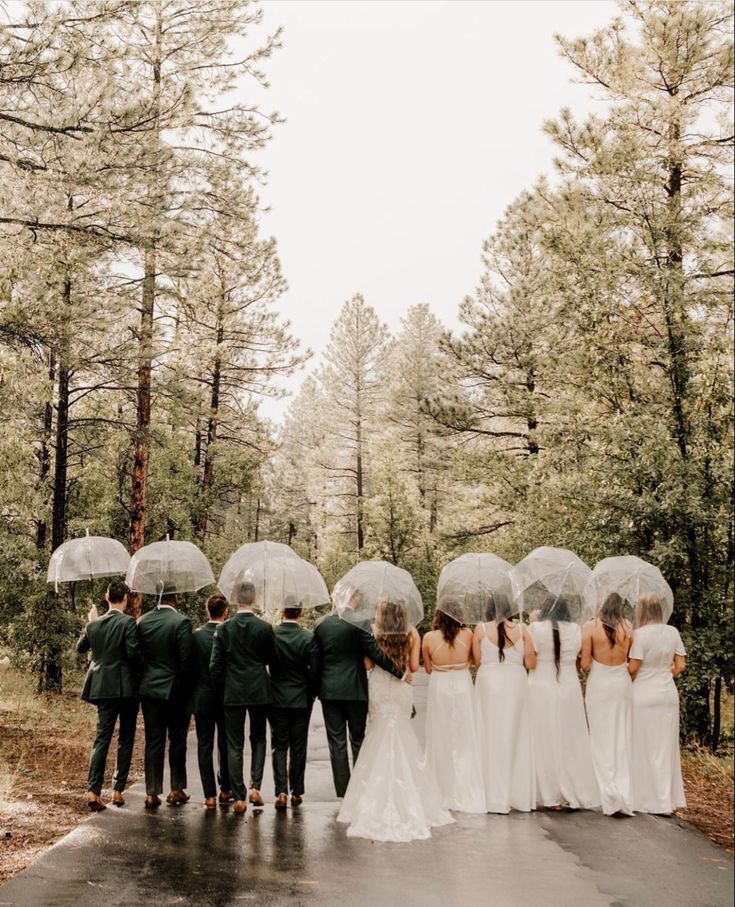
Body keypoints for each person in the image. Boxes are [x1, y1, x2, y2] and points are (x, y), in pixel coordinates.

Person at [338, 599, 453, 841]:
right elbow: (413, 666)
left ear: (382, 615)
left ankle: (368, 798)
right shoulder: (411, 632)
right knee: (403, 735)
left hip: (379, 686)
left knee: (377, 735)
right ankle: (410, 797)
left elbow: (368, 664)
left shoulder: (374, 631)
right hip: (402, 688)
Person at [313, 593, 409, 798]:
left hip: (329, 691)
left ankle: (343, 792)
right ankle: (360, 786)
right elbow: (374, 652)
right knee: (358, 739)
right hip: (355, 688)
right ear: (353, 598)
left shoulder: (321, 624)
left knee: (336, 742)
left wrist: (314, 689)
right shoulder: (359, 621)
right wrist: (400, 672)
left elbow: (316, 660)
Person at [527, 595, 600, 810]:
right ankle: (573, 790)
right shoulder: (576, 629)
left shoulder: (536, 629)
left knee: (544, 738)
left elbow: (529, 660)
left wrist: (534, 623)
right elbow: (580, 660)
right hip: (568, 685)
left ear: (544, 610)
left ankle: (549, 794)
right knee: (571, 737)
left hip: (541, 683)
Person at [210, 580, 275, 814]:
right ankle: (255, 786)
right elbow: (272, 659)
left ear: (236, 601)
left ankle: (238, 796)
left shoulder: (223, 629)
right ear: (253, 600)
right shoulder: (265, 628)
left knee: (234, 743)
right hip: (259, 689)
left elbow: (215, 666)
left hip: (233, 690)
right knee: (258, 738)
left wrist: (222, 688)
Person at [77, 579, 140, 811]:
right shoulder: (128, 623)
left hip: (102, 686)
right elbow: (133, 653)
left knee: (102, 737)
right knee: (125, 737)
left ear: (106, 597)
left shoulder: (94, 625)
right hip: (126, 688)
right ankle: (117, 790)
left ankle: (93, 791)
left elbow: (80, 647)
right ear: (124, 599)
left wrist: (90, 623)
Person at [472, 593, 536, 814]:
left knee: (489, 734)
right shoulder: (523, 630)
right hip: (516, 683)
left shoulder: (480, 629)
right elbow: (531, 662)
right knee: (515, 735)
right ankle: (515, 794)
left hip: (489, 682)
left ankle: (491, 794)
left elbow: (476, 660)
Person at [422, 602, 485, 813]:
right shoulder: (469, 634)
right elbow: (477, 661)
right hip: (462, 682)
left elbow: (428, 669)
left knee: (440, 733)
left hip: (439, 684)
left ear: (438, 615)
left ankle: (441, 783)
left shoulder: (429, 638)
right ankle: (464, 782)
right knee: (465, 732)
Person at [628, 594, 687, 815]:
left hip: (644, 693)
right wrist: (664, 674)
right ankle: (665, 801)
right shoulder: (673, 632)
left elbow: (633, 668)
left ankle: (645, 798)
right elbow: (680, 665)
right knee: (665, 747)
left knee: (643, 746)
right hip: (668, 694)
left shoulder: (640, 635)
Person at [137, 586, 194, 809]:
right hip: (175, 690)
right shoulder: (181, 622)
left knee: (153, 740)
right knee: (177, 739)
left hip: (149, 689)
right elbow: (186, 661)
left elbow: (136, 654)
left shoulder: (142, 621)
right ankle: (176, 789)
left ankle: (151, 792)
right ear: (175, 598)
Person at [581, 592, 634, 816]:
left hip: (600, 684)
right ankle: (623, 789)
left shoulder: (590, 627)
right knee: (620, 735)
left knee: (600, 734)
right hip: (621, 683)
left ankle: (603, 789)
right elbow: (631, 659)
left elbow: (584, 665)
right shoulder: (629, 627)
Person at [268, 597, 320, 810]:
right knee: (298, 746)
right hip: (301, 697)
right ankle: (296, 791)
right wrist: (312, 692)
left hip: (276, 696)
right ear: (301, 613)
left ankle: (280, 791)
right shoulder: (308, 637)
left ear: (281, 611)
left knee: (279, 745)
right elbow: (315, 671)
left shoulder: (271, 635)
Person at [189, 593, 232, 809]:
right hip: (225, 697)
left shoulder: (195, 636)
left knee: (204, 746)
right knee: (225, 744)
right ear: (225, 612)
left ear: (208, 611)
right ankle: (226, 788)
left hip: (202, 697)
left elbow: (189, 667)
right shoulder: (229, 635)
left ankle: (209, 795)